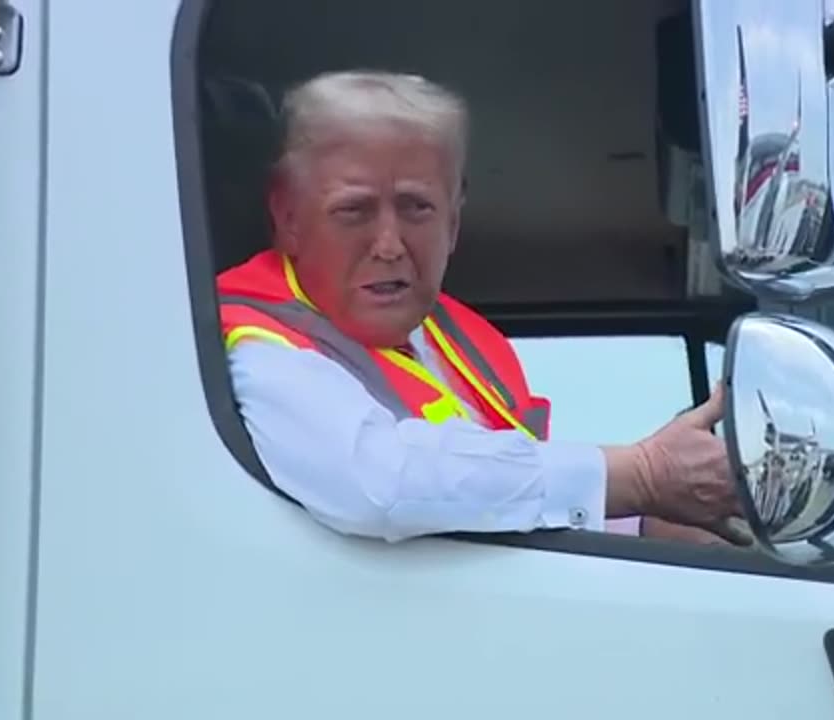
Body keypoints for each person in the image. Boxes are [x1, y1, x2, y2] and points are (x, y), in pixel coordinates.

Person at [219, 69, 740, 543]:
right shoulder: (252, 339)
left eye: (416, 207)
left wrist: (646, 522)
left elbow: (507, 500)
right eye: (353, 210)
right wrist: (638, 476)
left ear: (454, 220)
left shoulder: (463, 341)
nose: (389, 244)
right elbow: (381, 486)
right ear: (287, 217)